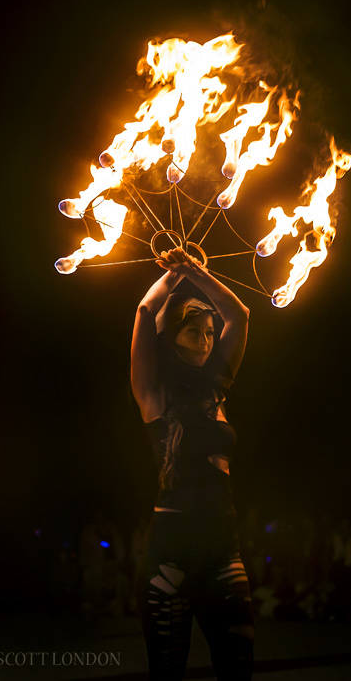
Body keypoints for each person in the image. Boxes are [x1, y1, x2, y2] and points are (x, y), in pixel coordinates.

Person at [130, 247, 254, 680]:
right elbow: (147, 310)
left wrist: (197, 270)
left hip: (223, 541)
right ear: (172, 336)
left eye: (208, 332)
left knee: (238, 668)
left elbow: (238, 313)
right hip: (173, 547)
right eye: (194, 331)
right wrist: (174, 274)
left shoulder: (216, 389)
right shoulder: (154, 394)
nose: (206, 340)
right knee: (167, 672)